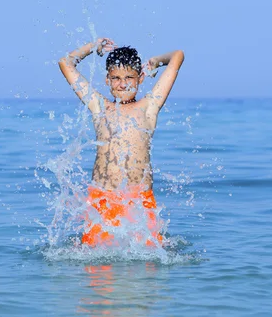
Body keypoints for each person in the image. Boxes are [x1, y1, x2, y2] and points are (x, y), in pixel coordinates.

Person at [58, 38, 184, 247]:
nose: (122, 84)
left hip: (139, 202)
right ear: (107, 80)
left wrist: (155, 62)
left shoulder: (149, 106)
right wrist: (92, 47)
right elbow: (65, 63)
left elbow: (177, 55)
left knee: (148, 270)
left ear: (140, 78)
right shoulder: (99, 106)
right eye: (115, 78)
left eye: (129, 77)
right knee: (97, 268)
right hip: (102, 200)